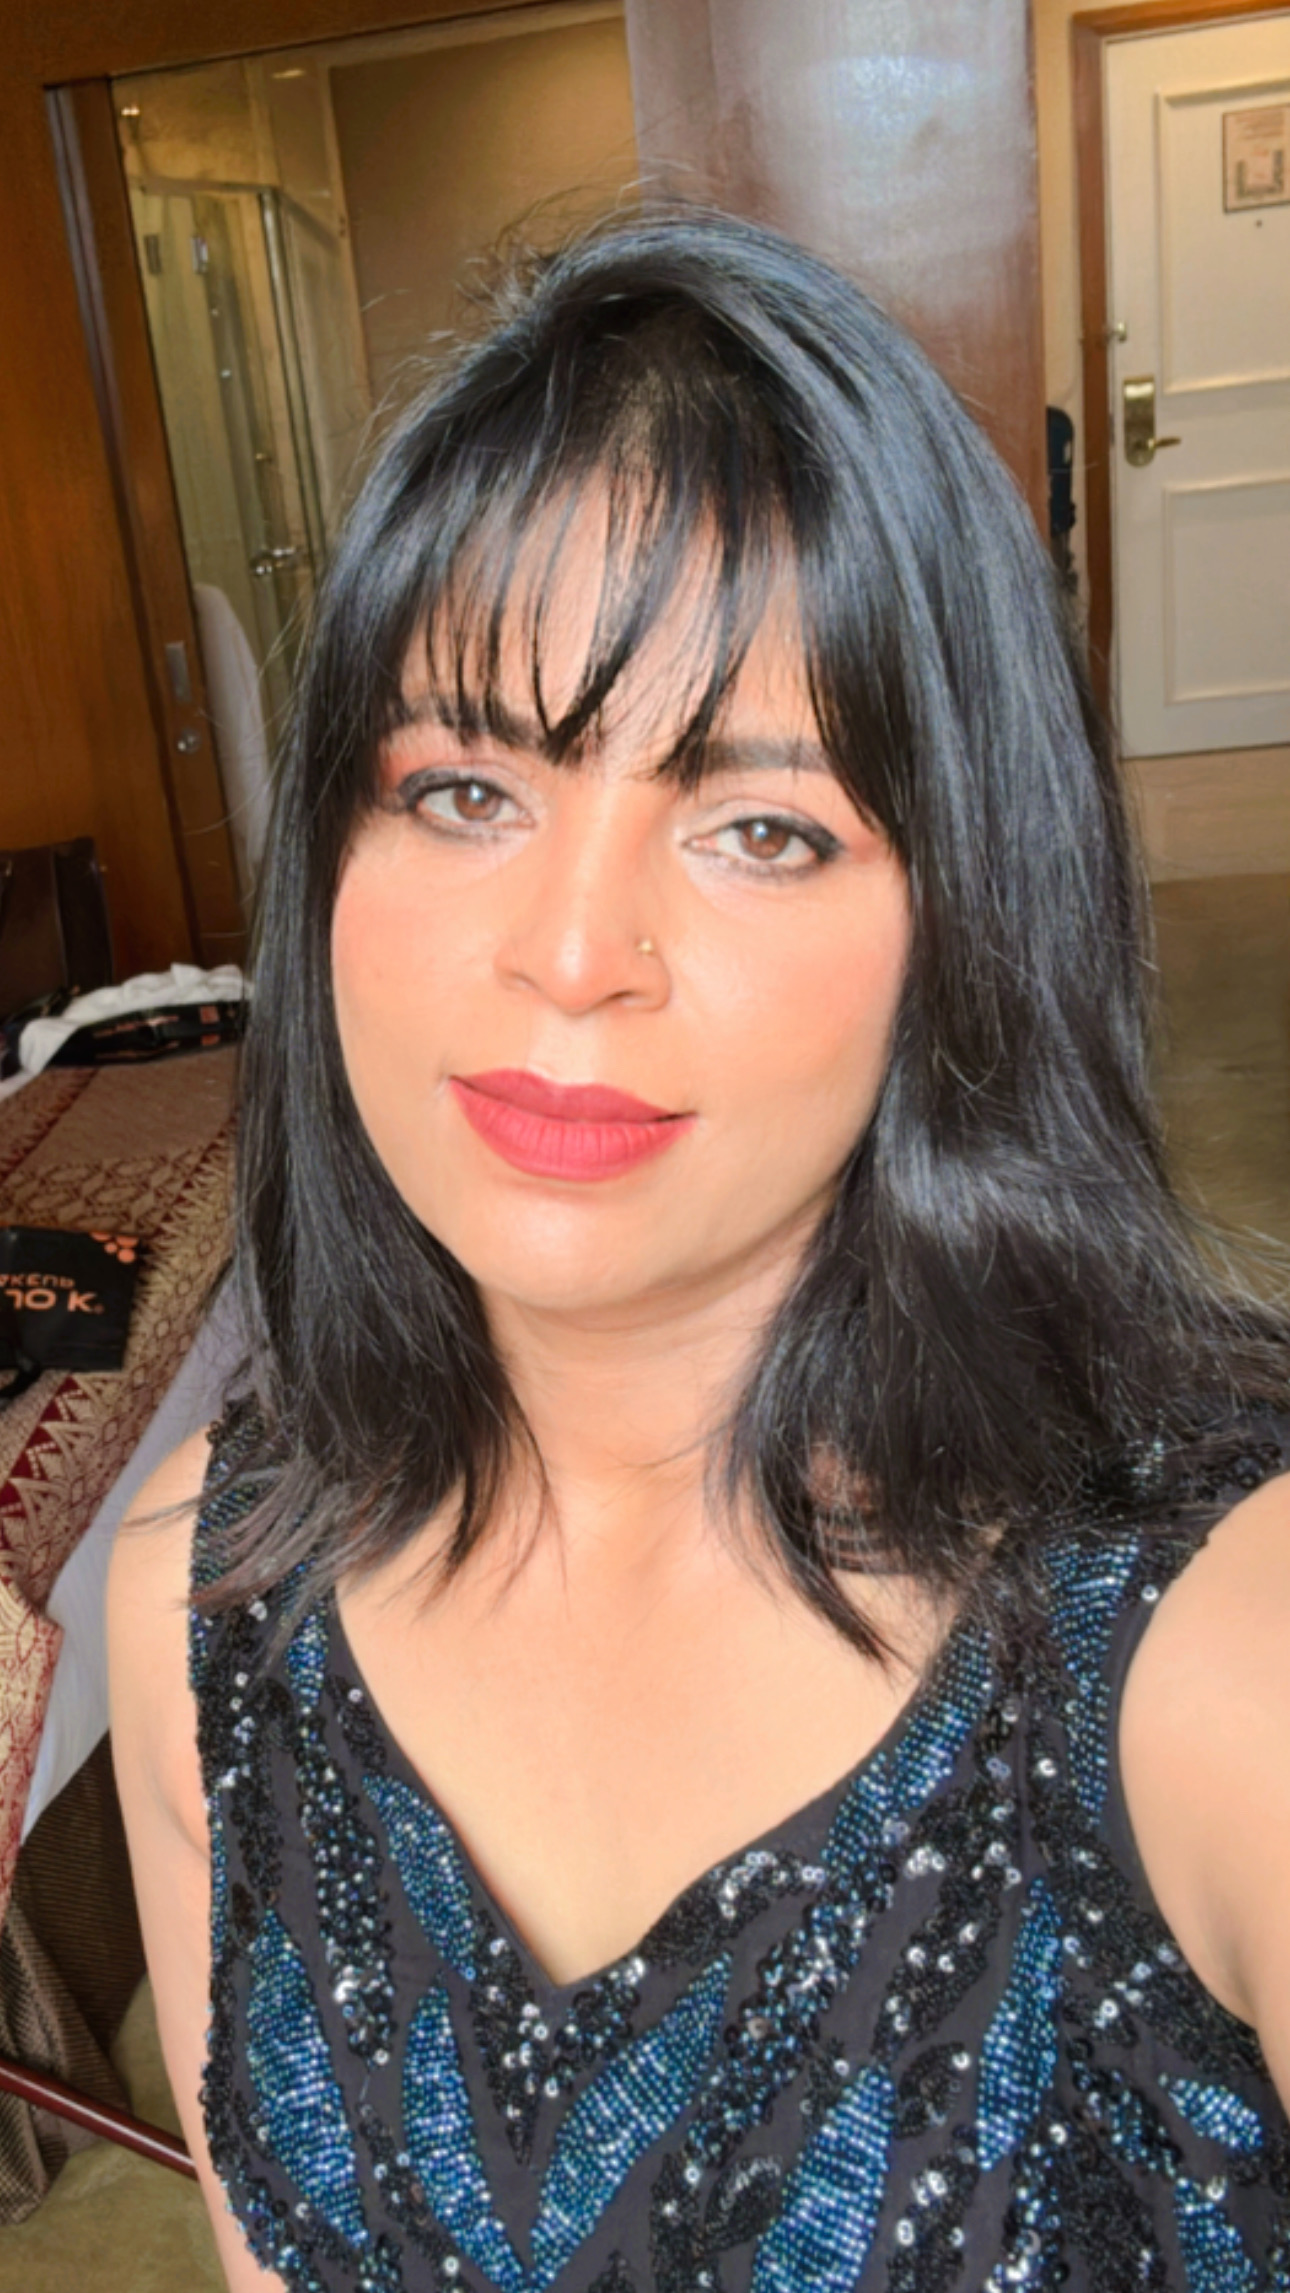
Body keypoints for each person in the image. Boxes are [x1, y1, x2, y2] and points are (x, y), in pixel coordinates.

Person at [108, 210, 1290, 2293]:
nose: (571, 952)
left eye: (762, 827)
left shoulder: (1217, 1649)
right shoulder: (208, 1594)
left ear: (967, 916)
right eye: (463, 788)